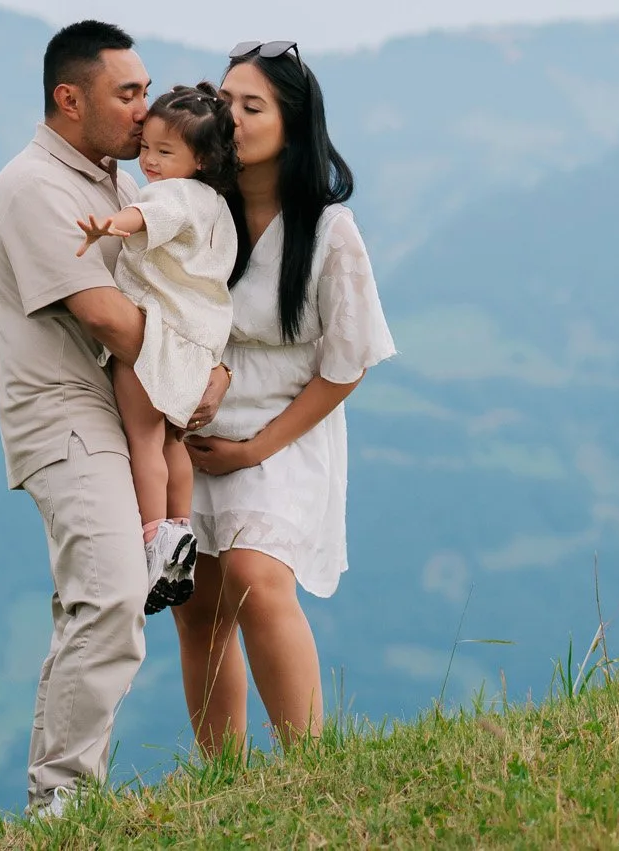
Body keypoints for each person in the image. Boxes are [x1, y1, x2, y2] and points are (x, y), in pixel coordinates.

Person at [0, 20, 231, 814]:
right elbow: (106, 318)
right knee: (114, 594)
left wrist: (211, 368)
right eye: (126, 93)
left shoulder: (118, 185)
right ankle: (61, 799)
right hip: (64, 416)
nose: (143, 109)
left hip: (122, 410)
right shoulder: (35, 187)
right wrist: (196, 375)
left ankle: (59, 797)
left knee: (102, 598)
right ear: (68, 97)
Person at [171, 40, 397, 754]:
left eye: (252, 105)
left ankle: (310, 763)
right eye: (225, 102)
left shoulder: (330, 232)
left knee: (255, 574)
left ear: (292, 126)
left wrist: (255, 448)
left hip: (283, 431)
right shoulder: (200, 211)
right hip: (191, 430)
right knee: (198, 608)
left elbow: (349, 359)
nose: (231, 116)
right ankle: (224, 781)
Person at [74, 84, 248, 615]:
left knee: (143, 441)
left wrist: (110, 223)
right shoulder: (218, 207)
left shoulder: (172, 195)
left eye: (164, 152)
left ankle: (152, 543)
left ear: (201, 159)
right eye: (146, 146)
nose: (149, 160)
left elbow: (147, 218)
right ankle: (178, 533)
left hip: (158, 342)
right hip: (198, 347)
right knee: (172, 443)